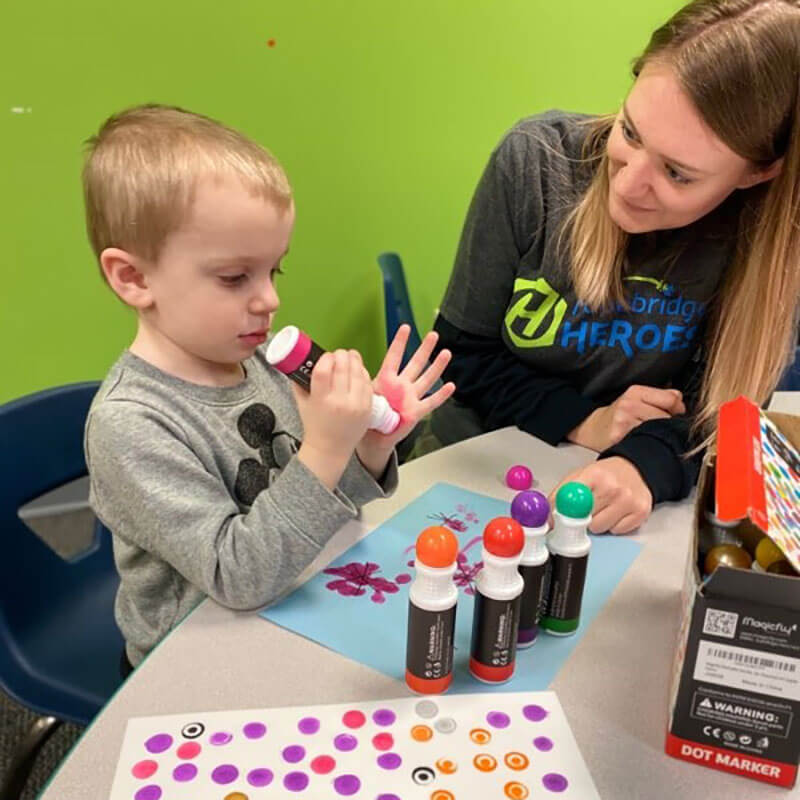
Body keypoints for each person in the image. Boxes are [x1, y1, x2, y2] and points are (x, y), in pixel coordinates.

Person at [81, 105, 455, 673]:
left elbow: (316, 511)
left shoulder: (256, 360)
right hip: (197, 665)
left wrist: (367, 447)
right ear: (133, 278)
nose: (269, 300)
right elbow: (238, 576)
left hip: (294, 605)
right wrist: (327, 450)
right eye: (235, 277)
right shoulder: (131, 424)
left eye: (274, 271)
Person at [428, 0, 800, 533]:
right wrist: (589, 420)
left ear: (758, 173)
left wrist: (643, 463)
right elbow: (458, 355)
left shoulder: (769, 244)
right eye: (631, 132)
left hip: (634, 505)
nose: (626, 186)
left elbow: (725, 414)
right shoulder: (536, 162)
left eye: (677, 173)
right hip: (473, 462)